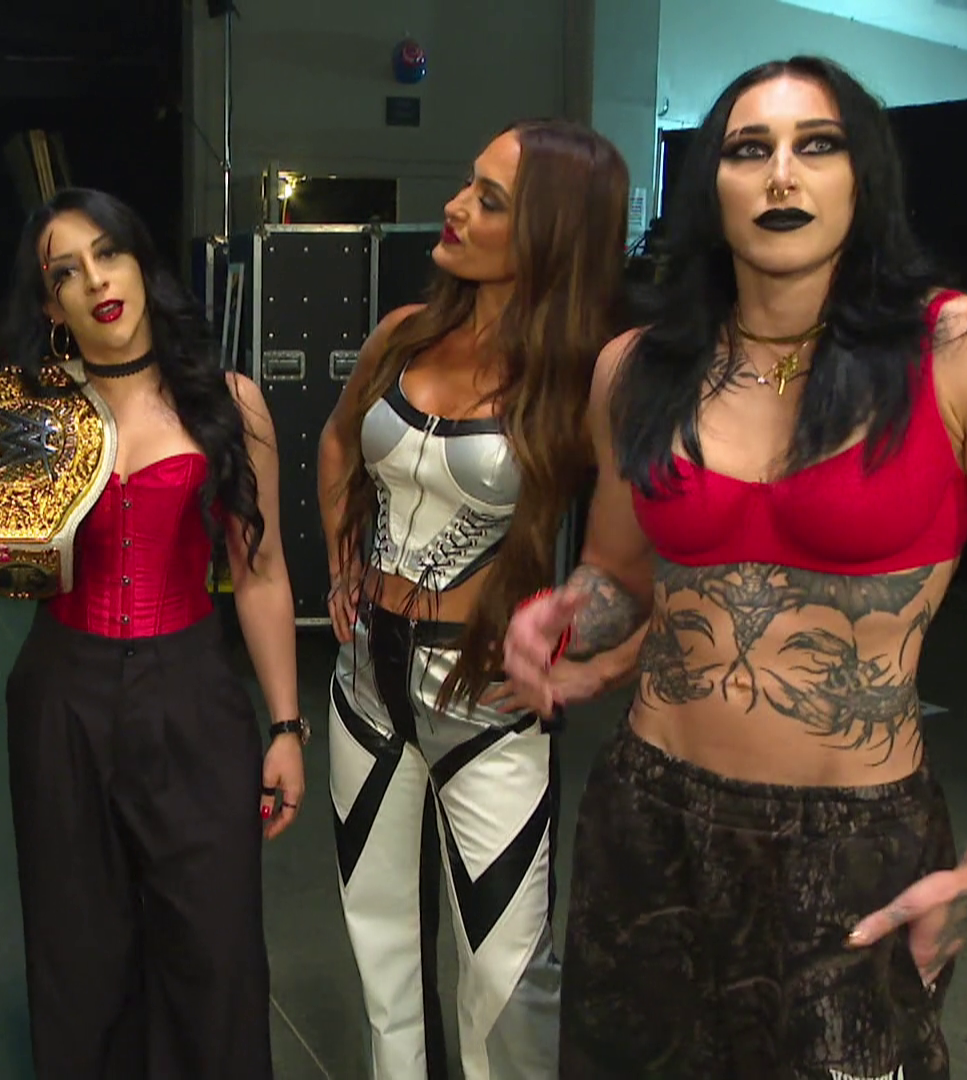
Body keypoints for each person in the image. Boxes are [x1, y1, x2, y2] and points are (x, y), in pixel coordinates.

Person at [503, 56, 967, 1079]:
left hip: (853, 838)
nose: (783, 174)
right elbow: (621, 576)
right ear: (711, 186)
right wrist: (561, 618)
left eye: (817, 146)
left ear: (865, 176)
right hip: (649, 816)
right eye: (749, 149)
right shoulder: (638, 368)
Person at [0, 187, 303, 1078]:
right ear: (49, 305)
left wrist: (287, 727)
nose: (97, 281)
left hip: (194, 693)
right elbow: (26, 572)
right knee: (79, 946)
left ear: (142, 264)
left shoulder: (230, 403)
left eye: (109, 254)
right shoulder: (27, 417)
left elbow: (260, 574)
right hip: (63, 695)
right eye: (67, 272)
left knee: (214, 943)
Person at [316, 119, 638, 1079]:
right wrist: (341, 558)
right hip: (364, 678)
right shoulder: (403, 335)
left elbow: (638, 558)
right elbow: (337, 443)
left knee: (505, 972)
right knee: (380, 940)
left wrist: (589, 654)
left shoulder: (589, 376)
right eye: (468, 184)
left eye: (489, 200)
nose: (454, 207)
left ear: (551, 232)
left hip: (488, 696)